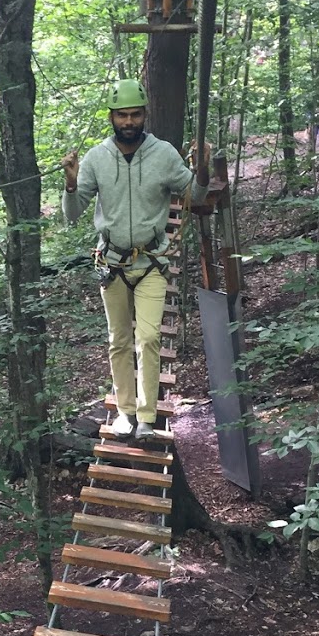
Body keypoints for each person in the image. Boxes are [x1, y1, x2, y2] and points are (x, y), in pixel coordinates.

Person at [61, 79, 209, 440]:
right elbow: (72, 213)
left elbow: (195, 195)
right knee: (119, 340)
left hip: (152, 261)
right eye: (122, 115)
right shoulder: (97, 158)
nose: (129, 121)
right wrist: (69, 184)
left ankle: (146, 416)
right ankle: (125, 412)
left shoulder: (163, 154)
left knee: (149, 338)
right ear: (112, 117)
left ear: (145, 115)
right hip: (111, 262)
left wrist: (202, 169)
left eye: (135, 114)